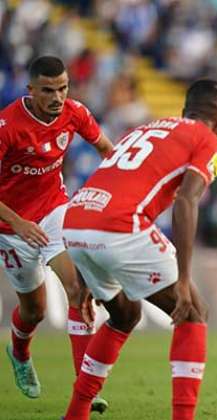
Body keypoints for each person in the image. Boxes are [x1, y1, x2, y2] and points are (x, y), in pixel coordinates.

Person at [60, 79, 217, 420]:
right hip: (119, 227)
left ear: (184, 111)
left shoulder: (147, 127)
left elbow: (107, 179)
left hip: (76, 221)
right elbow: (186, 200)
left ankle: (75, 414)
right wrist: (183, 279)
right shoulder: (208, 141)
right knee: (194, 311)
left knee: (125, 314)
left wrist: (84, 268)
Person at [0, 56, 114, 412]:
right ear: (30, 90)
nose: (57, 96)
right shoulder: (7, 127)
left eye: (62, 88)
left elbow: (108, 151)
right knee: (34, 311)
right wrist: (18, 223)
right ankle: (19, 351)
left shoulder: (75, 113)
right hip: (11, 225)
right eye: (48, 90)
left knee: (79, 289)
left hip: (53, 211)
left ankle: (85, 386)